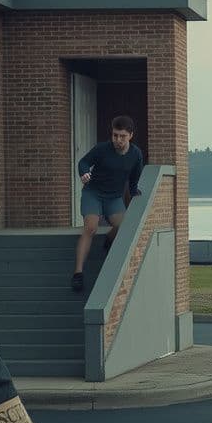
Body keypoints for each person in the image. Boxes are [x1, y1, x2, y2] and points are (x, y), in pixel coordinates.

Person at [71, 114, 144, 292]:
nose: (118, 140)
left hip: (113, 198)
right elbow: (84, 162)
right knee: (90, 227)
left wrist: (134, 191)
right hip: (93, 193)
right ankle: (78, 273)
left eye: (122, 136)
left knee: (123, 226)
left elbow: (135, 176)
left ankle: (108, 240)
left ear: (131, 135)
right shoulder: (102, 149)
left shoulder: (135, 154)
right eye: (115, 135)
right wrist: (84, 172)